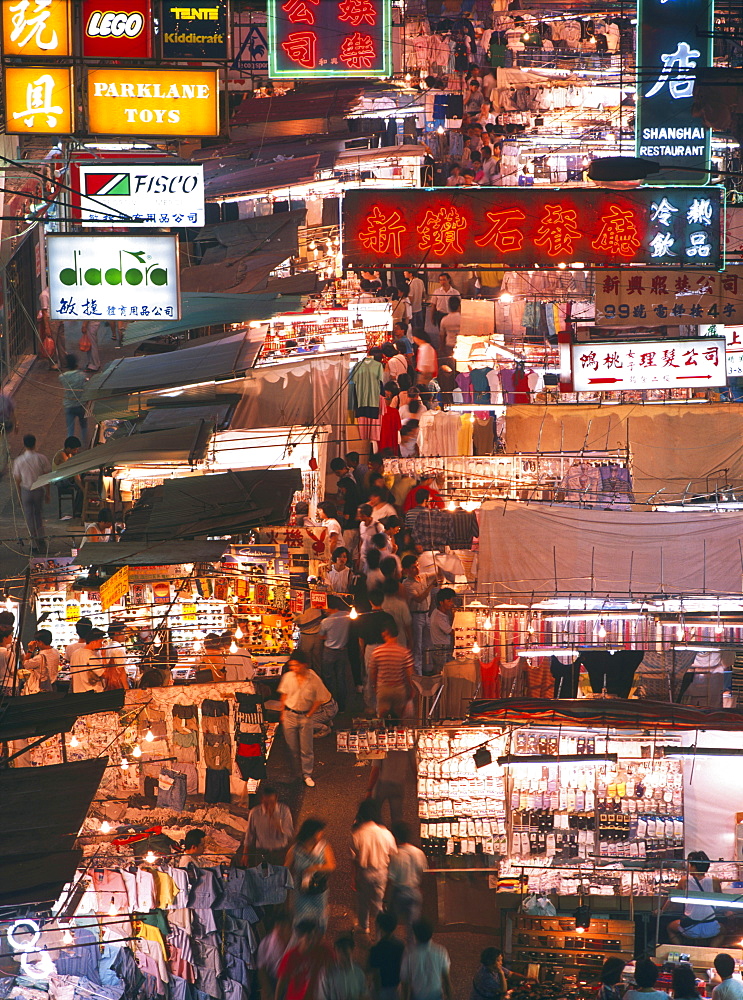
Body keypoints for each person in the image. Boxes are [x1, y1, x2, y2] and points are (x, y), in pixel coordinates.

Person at [278, 650, 332, 787]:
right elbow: (284, 695)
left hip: (305, 716)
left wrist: (309, 714)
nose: (293, 668)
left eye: (296, 665)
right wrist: (282, 713)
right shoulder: (288, 677)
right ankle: (295, 775)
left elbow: (319, 699)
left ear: (304, 665)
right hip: (290, 714)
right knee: (291, 748)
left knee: (306, 748)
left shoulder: (313, 678)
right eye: (291, 666)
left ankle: (307, 774)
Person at [351, 799, 397, 937]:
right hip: (381, 871)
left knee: (363, 902)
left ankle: (364, 928)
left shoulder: (357, 833)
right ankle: (379, 934)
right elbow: (393, 852)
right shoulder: (385, 833)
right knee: (378, 903)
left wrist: (353, 877)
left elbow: (354, 858)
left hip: (364, 872)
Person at [285, 820, 336, 930]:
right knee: (301, 918)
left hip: (318, 890)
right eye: (319, 832)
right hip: (300, 891)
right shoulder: (295, 849)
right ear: (311, 833)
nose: (321, 834)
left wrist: (315, 867)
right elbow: (286, 868)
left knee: (319, 918)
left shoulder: (323, 847)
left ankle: (317, 941)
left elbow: (331, 865)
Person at [667, 850, 725, 944]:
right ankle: (712, 953)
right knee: (723, 931)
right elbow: (722, 899)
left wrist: (661, 910)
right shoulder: (715, 881)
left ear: (694, 867)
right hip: (710, 928)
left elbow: (672, 898)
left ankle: (681, 952)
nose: (688, 867)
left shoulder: (684, 880)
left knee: (670, 927)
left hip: (689, 929)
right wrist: (727, 911)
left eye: (690, 865)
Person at [276, 919, 334, 1000]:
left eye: (314, 935)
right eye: (309, 938)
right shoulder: (290, 956)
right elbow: (281, 981)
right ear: (300, 938)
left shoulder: (324, 951)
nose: (312, 940)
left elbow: (335, 970)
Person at [386, 822, 428, 935]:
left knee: (391, 923)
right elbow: (423, 872)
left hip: (399, 892)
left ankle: (391, 946)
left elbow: (391, 878)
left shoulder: (396, 855)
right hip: (415, 890)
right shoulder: (418, 852)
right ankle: (412, 949)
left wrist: (386, 898)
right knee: (412, 927)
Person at [13, 434, 51, 554]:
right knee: (38, 516)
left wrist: (19, 496)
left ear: (24, 444)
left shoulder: (19, 460)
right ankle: (41, 539)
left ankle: (33, 543)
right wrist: (48, 493)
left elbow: (17, 480)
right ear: (35, 443)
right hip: (38, 490)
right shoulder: (41, 458)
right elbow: (46, 476)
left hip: (26, 491)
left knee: (29, 518)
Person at [369, 621, 413, 719]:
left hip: (383, 688)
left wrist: (374, 686)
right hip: (399, 689)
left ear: (385, 634)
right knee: (399, 717)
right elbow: (410, 674)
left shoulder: (377, 652)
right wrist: (411, 689)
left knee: (382, 717)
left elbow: (372, 672)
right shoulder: (404, 652)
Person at [244, 784, 294, 866]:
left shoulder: (284, 811)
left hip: (279, 851)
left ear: (276, 799)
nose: (269, 806)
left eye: (272, 802)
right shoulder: (254, 812)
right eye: (266, 803)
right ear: (261, 800)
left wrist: (277, 824)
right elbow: (250, 834)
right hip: (261, 852)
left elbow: (290, 833)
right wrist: (245, 855)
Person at [400, 920, 451, 1000]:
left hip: (417, 995)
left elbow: (405, 981)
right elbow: (446, 980)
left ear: (415, 935)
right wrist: (449, 996)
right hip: (436, 995)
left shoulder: (409, 953)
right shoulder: (441, 951)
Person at [320, 595, 351, 711]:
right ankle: (342, 706)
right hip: (343, 651)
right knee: (341, 678)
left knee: (329, 678)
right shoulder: (346, 616)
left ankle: (331, 705)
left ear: (330, 607)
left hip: (329, 652)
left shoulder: (326, 621)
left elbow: (321, 636)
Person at [319, 935, 369, 1000]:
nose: (343, 958)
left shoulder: (358, 973)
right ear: (336, 953)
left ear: (352, 952)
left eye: (346, 954)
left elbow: (365, 995)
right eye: (339, 954)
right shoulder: (328, 973)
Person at [368, 911, 404, 1000]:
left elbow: (375, 973)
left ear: (380, 926)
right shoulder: (401, 946)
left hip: (382, 988)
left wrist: (376, 991)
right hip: (396, 987)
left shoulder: (376, 949)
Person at [257, 911, 292, 996]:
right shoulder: (266, 943)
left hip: (292, 981)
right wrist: (268, 991)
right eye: (278, 926)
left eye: (284, 926)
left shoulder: (295, 942)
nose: (280, 929)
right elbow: (261, 970)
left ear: (290, 927)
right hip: (272, 981)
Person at [52, 436, 84, 519]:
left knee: (82, 479)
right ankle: (77, 510)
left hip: (66, 477)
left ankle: (78, 509)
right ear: (68, 448)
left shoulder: (69, 454)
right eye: (74, 450)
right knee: (80, 483)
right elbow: (72, 470)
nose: (76, 452)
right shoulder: (61, 455)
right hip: (60, 480)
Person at [59, 354, 88, 441]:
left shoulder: (62, 377)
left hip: (69, 405)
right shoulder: (82, 375)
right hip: (80, 404)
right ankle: (84, 443)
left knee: (70, 429)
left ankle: (70, 447)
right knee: (83, 426)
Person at [69, 627, 107, 693]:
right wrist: (104, 656)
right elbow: (104, 674)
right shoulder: (91, 657)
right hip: (93, 692)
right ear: (93, 642)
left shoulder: (75, 654)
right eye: (100, 642)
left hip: (77, 691)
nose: (101, 645)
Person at [22, 628, 59, 694]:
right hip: (53, 685)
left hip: (42, 687)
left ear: (40, 642)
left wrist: (30, 650)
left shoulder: (39, 657)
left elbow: (25, 664)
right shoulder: (56, 651)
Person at [428, 589, 456, 674]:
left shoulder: (440, 613)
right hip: (440, 648)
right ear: (441, 602)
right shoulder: (438, 616)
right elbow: (451, 632)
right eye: (449, 601)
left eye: (452, 601)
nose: (451, 603)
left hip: (441, 647)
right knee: (441, 673)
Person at [381, 577, 413, 649]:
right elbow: (407, 624)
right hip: (400, 639)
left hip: (384, 640)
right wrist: (411, 640)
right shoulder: (401, 604)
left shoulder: (381, 604)